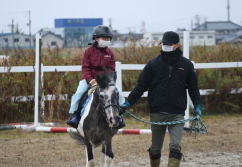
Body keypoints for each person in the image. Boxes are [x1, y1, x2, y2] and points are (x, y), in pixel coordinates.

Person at [120, 31, 202, 167]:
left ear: (177, 45)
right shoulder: (152, 64)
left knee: (175, 146)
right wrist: (128, 103)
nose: (165, 46)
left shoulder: (186, 65)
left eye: (168, 44)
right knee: (156, 148)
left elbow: (193, 88)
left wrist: (197, 105)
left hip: (177, 113)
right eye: (163, 43)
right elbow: (141, 86)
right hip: (157, 112)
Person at [67, 25, 126, 129]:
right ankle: (74, 115)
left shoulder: (110, 53)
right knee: (78, 94)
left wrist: (108, 81)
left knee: (120, 95)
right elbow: (85, 67)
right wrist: (90, 80)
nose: (106, 40)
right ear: (96, 38)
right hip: (90, 80)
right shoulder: (88, 52)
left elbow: (112, 70)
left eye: (108, 39)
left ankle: (119, 116)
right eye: (104, 38)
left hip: (106, 81)